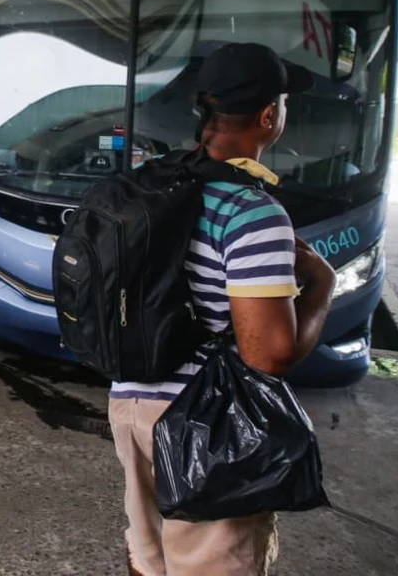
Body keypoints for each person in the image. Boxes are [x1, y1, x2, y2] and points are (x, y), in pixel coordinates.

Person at [109, 44, 336, 576]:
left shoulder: (153, 183)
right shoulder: (252, 211)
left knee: (149, 556)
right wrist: (322, 286)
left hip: (131, 402)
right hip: (206, 425)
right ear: (268, 116)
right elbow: (268, 357)